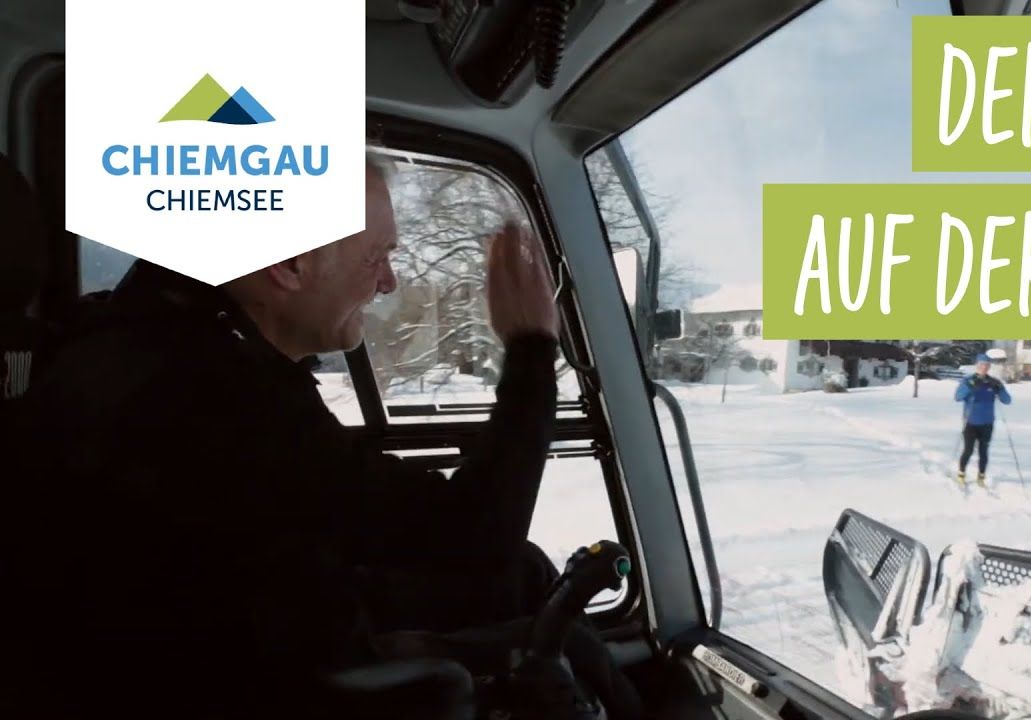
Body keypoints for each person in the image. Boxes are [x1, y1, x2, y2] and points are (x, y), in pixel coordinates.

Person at [5, 154, 626, 716]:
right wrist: (531, 347)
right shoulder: (214, 398)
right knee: (569, 644)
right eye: (375, 256)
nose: (388, 282)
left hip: (252, 626)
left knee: (522, 576)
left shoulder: (153, 340)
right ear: (288, 264)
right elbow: (473, 534)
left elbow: (313, 523)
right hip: (241, 683)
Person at [953, 353, 1011, 488]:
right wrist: (970, 386)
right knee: (968, 450)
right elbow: (958, 397)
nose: (983, 367)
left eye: (986, 365)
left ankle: (981, 477)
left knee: (983, 452)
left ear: (989, 367)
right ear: (976, 365)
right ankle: (961, 474)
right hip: (970, 422)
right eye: (981, 365)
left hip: (987, 423)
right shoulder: (968, 380)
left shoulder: (993, 382)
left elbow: (1007, 400)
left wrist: (999, 388)